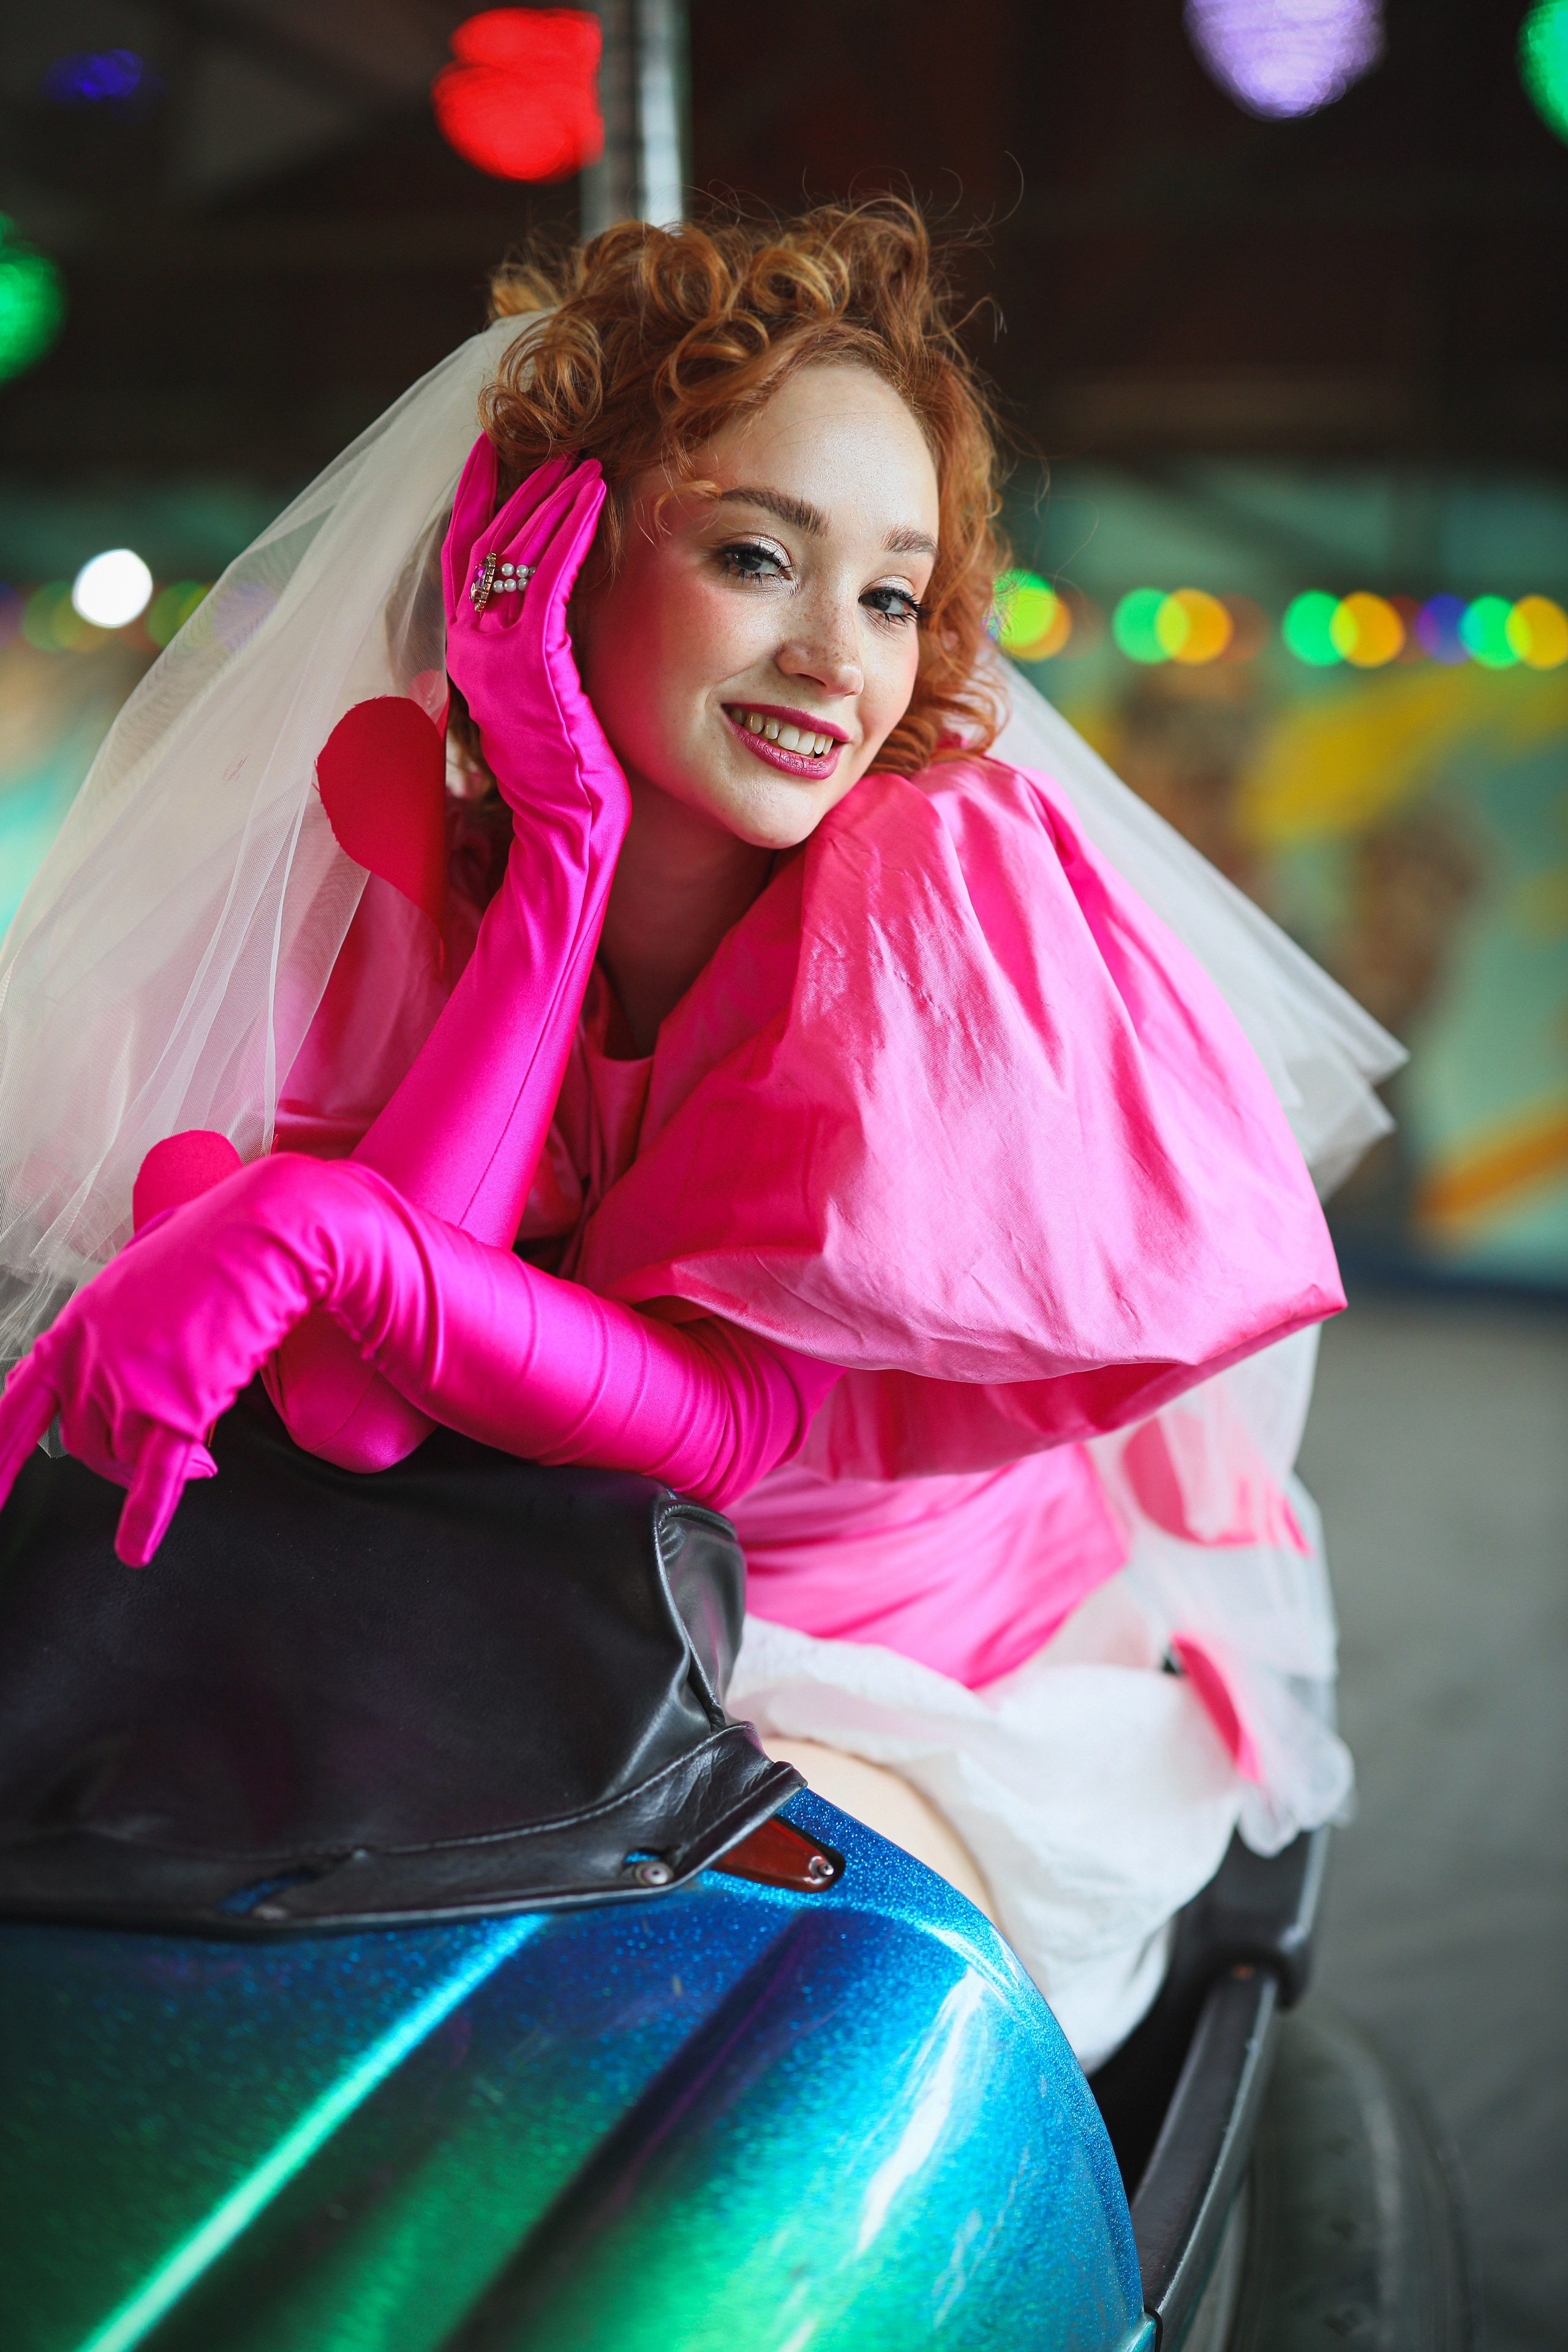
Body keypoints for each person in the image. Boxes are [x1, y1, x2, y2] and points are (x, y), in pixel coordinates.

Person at [0, 203, 1398, 2069]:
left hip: (900, 1690)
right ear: (536, 568)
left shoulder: (931, 889)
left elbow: (729, 1423)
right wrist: (560, 855)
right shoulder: (413, 866)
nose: (839, 657)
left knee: (654, 2034)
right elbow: (357, 1406)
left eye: (892, 594)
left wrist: (323, 1239)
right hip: (543, 1646)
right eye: (760, 556)